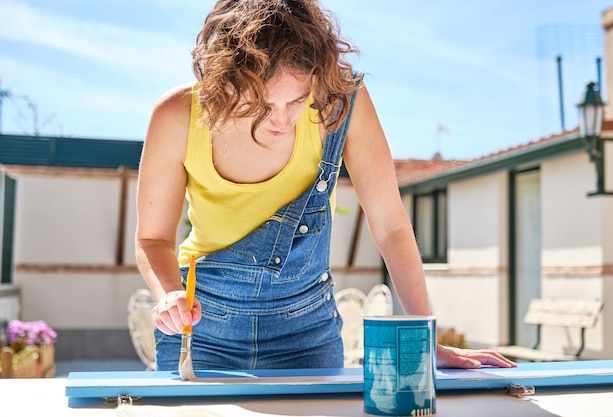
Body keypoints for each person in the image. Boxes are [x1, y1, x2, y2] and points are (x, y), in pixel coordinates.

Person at [135, 0, 516, 371]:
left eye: (297, 101)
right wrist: (169, 293)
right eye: (263, 103)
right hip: (198, 332)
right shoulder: (178, 115)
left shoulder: (340, 104)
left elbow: (391, 224)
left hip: (306, 334)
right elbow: (152, 240)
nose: (282, 120)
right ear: (226, 79)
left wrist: (424, 338)